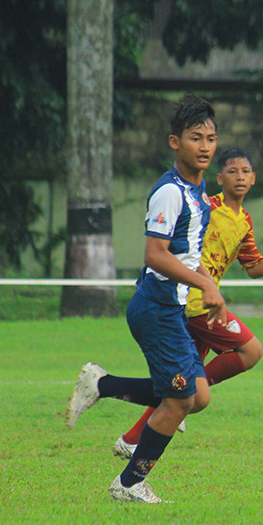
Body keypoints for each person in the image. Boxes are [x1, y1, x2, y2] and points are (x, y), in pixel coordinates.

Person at [64, 147, 263, 460]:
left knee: (184, 390)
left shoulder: (244, 222)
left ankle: (129, 436)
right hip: (193, 302)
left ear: (253, 180)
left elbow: (253, 267)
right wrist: (204, 285)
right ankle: (122, 398)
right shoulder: (206, 207)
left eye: (245, 172)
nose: (239, 177)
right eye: (232, 172)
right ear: (219, 178)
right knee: (251, 351)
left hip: (206, 300)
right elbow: (178, 247)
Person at [100, 94, 225, 503]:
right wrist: (203, 285)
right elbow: (156, 255)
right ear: (175, 143)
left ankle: (102, 384)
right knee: (179, 400)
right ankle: (129, 484)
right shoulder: (170, 192)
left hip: (170, 307)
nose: (205, 146)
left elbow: (187, 253)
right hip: (156, 307)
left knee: (197, 397)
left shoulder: (198, 189)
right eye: (195, 138)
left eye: (210, 138)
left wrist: (209, 284)